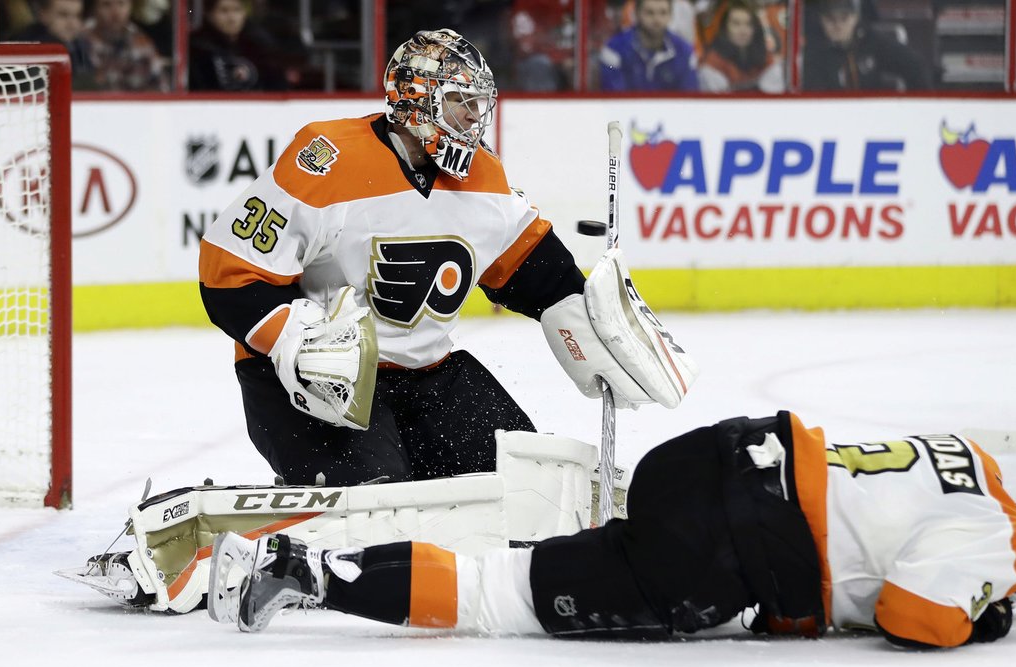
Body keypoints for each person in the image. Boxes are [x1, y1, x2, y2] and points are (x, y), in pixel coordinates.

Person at [197, 28, 694, 489]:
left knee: (525, 488)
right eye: (460, 102)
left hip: (430, 375)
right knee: (377, 511)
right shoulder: (327, 158)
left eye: (480, 104)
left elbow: (537, 274)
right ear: (415, 99)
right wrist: (295, 341)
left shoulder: (484, 177)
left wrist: (597, 324)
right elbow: (230, 277)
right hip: (315, 385)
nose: (475, 117)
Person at [209, 410, 1016, 648]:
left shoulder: (970, 451)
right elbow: (916, 618)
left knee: (544, 563)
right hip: (724, 547)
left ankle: (322, 563)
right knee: (499, 598)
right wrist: (987, 619)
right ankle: (304, 570)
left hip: (712, 455)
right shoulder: (1008, 539)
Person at [802, 0, 930, 91]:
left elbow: (913, 64)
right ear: (821, 20)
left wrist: (917, 106)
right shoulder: (813, 52)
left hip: (871, 117)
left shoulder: (870, 41)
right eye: (831, 19)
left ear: (855, 18)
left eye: (844, 18)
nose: (838, 25)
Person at [189, 0, 289, 91]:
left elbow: (277, 87)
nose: (232, 18)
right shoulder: (199, 50)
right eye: (224, 11)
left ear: (245, 13)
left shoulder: (259, 46)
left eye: (237, 10)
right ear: (209, 14)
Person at [599, 0, 699, 91]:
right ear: (637, 14)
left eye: (663, 13)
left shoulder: (685, 52)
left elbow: (688, 100)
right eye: (649, 13)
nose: (657, 20)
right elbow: (614, 100)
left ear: (671, 15)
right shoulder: (614, 50)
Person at [78, 0, 169, 91]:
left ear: (130, 7)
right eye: (106, 4)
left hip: (134, 104)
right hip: (94, 104)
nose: (115, 12)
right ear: (94, 9)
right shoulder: (80, 41)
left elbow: (160, 88)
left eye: (121, 4)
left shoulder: (141, 43)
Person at [697, 0, 782, 93]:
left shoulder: (766, 57)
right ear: (725, 28)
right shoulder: (713, 64)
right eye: (736, 24)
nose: (743, 31)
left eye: (748, 24)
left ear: (755, 28)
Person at [8, 0, 96, 89]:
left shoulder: (79, 45)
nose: (72, 24)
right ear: (43, 14)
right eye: (63, 15)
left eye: (77, 16)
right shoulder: (29, 47)